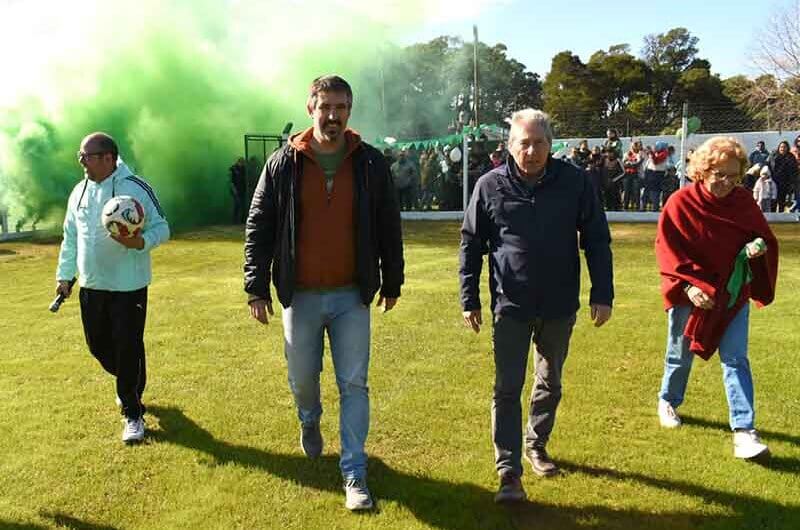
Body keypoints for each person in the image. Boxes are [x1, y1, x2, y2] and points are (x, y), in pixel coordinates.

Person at [243, 75, 404, 511]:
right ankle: (309, 419)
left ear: (350, 111)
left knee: (354, 383)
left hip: (353, 296)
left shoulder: (370, 162)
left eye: (341, 108)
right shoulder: (283, 163)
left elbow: (388, 222)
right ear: (311, 107)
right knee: (302, 379)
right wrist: (255, 286)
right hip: (303, 295)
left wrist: (393, 279)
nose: (333, 116)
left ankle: (354, 472)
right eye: (325, 107)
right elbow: (260, 226)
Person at [459, 109, 613, 503]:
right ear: (510, 146)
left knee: (550, 382)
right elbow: (471, 243)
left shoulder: (575, 182)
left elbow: (596, 238)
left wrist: (603, 292)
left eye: (538, 142)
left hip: (560, 304)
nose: (530, 150)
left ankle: (536, 444)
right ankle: (508, 471)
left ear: (550, 143)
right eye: (522, 143)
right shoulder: (489, 186)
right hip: (510, 304)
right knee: (507, 388)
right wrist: (469, 298)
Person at [655, 136, 778, 460]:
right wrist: (689, 287)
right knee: (680, 354)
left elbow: (763, 236)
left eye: (733, 176)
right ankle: (668, 400)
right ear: (702, 170)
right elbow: (668, 251)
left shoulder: (743, 202)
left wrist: (758, 249)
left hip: (732, 293)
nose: (726, 183)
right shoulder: (680, 203)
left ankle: (744, 430)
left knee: (736, 359)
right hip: (690, 294)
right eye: (719, 174)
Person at [55, 132, 170, 443]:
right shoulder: (79, 191)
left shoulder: (136, 188)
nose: (82, 161)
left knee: (127, 345)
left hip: (128, 287)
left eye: (87, 156)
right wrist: (64, 276)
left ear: (108, 158)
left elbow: (162, 227)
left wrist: (140, 241)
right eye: (80, 155)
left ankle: (133, 413)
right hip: (92, 285)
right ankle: (132, 378)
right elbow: (71, 237)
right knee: (99, 347)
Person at [769, 140, 797, 212]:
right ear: (779, 147)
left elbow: (794, 172)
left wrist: (792, 184)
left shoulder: (791, 157)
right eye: (781, 147)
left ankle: (781, 216)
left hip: (784, 183)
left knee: (782, 202)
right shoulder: (773, 155)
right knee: (773, 201)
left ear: (787, 148)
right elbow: (767, 165)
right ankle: (773, 217)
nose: (782, 149)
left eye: (784, 147)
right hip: (773, 182)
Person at [622, 140, 645, 210]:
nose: (633, 147)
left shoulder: (640, 154)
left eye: (636, 145)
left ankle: (637, 207)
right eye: (633, 145)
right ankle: (625, 206)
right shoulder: (627, 154)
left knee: (636, 191)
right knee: (627, 191)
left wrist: (631, 164)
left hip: (636, 175)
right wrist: (631, 164)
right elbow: (623, 164)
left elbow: (638, 163)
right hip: (627, 174)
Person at [229, 157, 247, 224]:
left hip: (241, 189)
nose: (242, 164)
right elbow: (231, 181)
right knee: (237, 204)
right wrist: (234, 190)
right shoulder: (233, 169)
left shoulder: (243, 169)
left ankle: (241, 220)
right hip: (236, 189)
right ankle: (235, 220)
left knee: (242, 204)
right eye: (241, 162)